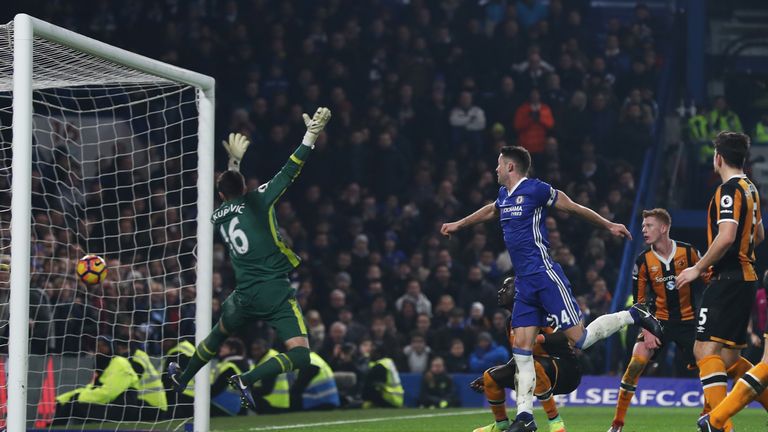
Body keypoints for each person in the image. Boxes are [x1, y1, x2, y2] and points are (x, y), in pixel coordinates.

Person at [442, 145, 662, 432]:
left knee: (580, 339)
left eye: (498, 164)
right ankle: (525, 418)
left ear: (510, 167)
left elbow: (573, 207)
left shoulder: (536, 190)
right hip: (523, 283)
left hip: (545, 276)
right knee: (522, 350)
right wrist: (459, 224)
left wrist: (608, 225)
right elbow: (490, 211)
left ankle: (633, 315)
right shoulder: (503, 196)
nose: (495, 169)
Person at [168, 107, 332, 409]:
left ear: (220, 196)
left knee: (218, 334)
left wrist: (233, 163)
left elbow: (231, 191)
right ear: (246, 187)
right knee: (300, 354)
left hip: (243, 294)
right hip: (273, 290)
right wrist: (310, 136)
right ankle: (248, 378)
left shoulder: (216, 216)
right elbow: (288, 171)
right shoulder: (257, 200)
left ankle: (184, 377)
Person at [684, 132, 765, 432]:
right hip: (745, 278)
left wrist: (698, 267)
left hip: (729, 279)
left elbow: (727, 235)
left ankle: (720, 426)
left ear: (718, 157)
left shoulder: (729, 191)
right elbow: (758, 235)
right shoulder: (751, 188)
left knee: (704, 351)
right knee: (730, 358)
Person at [609, 208, 705, 432]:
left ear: (664, 228)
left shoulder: (689, 252)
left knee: (708, 368)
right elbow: (639, 302)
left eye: (649, 225)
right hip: (658, 321)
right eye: (643, 226)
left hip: (689, 321)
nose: (644, 229)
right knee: (635, 365)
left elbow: (709, 278)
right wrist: (649, 330)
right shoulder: (643, 261)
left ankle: (708, 416)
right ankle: (617, 423)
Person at [470, 277, 580, 432]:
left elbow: (566, 337)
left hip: (566, 370)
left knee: (533, 365)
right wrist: (498, 374)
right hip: (535, 369)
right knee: (491, 376)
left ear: (519, 292)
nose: (500, 292)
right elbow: (521, 356)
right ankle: (501, 423)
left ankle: (555, 421)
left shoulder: (541, 313)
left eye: (506, 288)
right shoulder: (510, 323)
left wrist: (539, 338)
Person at [54, 338, 139, 423]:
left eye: (104, 345)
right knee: (68, 403)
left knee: (74, 405)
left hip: (121, 407)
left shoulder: (119, 362)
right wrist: (63, 398)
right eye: (98, 346)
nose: (100, 348)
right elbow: (91, 388)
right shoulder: (103, 364)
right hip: (109, 403)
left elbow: (109, 393)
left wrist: (79, 397)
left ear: (111, 347)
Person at [210, 338, 253, 416]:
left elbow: (217, 388)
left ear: (233, 351)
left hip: (226, 403)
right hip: (240, 404)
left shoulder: (230, 366)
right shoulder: (245, 363)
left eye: (225, 347)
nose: (221, 349)